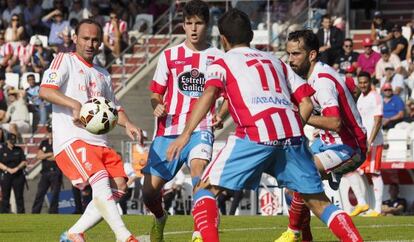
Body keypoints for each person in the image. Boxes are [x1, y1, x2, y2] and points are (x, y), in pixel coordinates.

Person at [167, 10, 363, 242]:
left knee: (204, 190)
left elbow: (209, 93)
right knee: (320, 203)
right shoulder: (277, 62)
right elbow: (307, 102)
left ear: (223, 39)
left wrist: (186, 134)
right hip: (292, 137)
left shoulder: (222, 62)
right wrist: (294, 130)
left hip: (255, 133)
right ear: (251, 35)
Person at [39, 19, 142, 242]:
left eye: (95, 39)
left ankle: (74, 233)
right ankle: (124, 236)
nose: (90, 43)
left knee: (120, 186)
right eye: (85, 38)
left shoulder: (102, 73)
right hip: (72, 140)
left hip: (100, 142)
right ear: (75, 38)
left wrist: (129, 124)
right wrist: (74, 105)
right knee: (101, 180)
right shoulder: (64, 60)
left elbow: (114, 108)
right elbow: (45, 91)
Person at [141, 1, 224, 241]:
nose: (194, 28)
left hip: (201, 128)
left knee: (199, 171)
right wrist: (157, 106)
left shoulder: (218, 57)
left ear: (207, 25)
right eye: (189, 23)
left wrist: (221, 114)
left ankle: (201, 229)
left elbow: (228, 95)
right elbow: (155, 93)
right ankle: (159, 217)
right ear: (183, 26)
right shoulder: (169, 55)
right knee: (149, 192)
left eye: (199, 23)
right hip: (168, 131)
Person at [276, 29, 367, 241]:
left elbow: (335, 122)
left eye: (296, 54)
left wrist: (301, 117)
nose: (291, 60)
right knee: (291, 188)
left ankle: (293, 232)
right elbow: (353, 87)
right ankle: (303, 237)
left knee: (301, 175)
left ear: (312, 55)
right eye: (289, 54)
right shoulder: (309, 77)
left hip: (349, 147)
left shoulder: (322, 81)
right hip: (326, 144)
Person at [346, 72, 384, 217]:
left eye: (365, 82)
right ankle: (363, 203)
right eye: (360, 82)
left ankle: (378, 209)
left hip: (374, 142)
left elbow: (378, 121)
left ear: (370, 82)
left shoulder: (375, 96)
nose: (362, 85)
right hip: (362, 142)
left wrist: (370, 141)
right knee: (350, 171)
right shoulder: (361, 98)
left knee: (374, 173)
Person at [31, 123, 62, 214]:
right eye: (49, 132)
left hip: (56, 172)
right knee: (40, 193)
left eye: (52, 132)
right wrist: (49, 154)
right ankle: (35, 212)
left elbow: (57, 157)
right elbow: (39, 156)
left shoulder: (59, 142)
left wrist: (46, 156)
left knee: (55, 194)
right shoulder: (44, 142)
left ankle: (53, 212)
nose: (51, 134)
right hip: (45, 172)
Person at [0, 133, 27, 213]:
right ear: (7, 141)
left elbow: (24, 162)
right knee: (5, 196)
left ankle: (21, 214)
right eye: (11, 141)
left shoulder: (18, 149)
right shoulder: (2, 150)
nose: (12, 142)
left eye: (14, 141)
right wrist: (8, 169)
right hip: (6, 175)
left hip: (17, 175)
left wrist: (17, 168)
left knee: (19, 196)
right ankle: (4, 214)